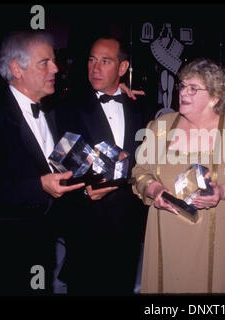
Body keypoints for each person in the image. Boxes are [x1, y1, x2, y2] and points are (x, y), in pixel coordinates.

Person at [132, 58, 225, 293]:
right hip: (168, 240)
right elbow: (140, 172)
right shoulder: (161, 126)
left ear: (215, 97)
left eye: (193, 89)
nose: (183, 93)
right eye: (182, 86)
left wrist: (222, 192)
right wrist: (155, 190)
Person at [0, 30, 85, 295]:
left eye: (54, 60)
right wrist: (39, 186)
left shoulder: (54, 109)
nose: (56, 68)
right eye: (44, 62)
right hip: (7, 254)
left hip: (45, 247)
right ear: (16, 69)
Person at [55, 36, 147, 295]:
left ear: (122, 68)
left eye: (105, 61)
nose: (95, 68)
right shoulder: (67, 108)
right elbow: (61, 164)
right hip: (86, 224)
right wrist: (84, 190)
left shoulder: (140, 106)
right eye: (91, 60)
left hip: (128, 224)